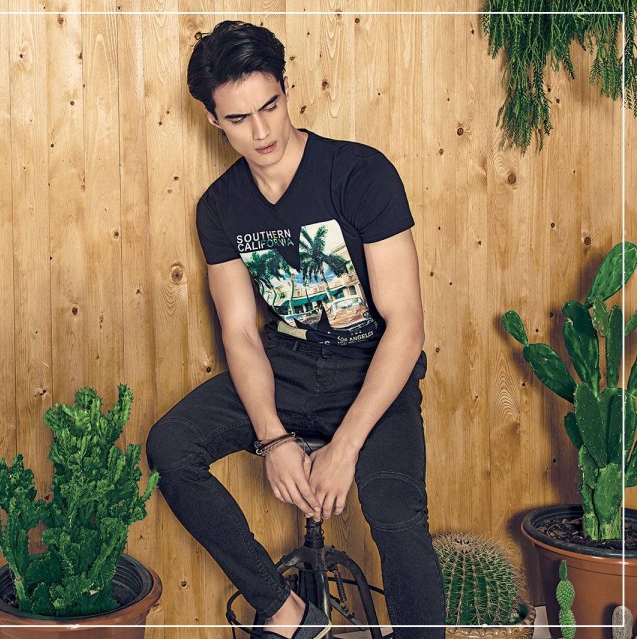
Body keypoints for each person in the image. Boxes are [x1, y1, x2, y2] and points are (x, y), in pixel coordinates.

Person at [145, 20, 445, 639]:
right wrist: (273, 438)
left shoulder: (359, 174)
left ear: (286, 90)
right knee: (171, 445)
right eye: (238, 119)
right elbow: (240, 332)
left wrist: (346, 446)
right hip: (286, 367)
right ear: (213, 120)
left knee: (396, 516)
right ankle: (285, 612)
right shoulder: (220, 207)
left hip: (371, 368)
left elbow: (407, 326)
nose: (261, 132)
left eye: (270, 107)